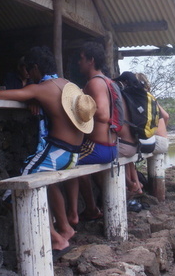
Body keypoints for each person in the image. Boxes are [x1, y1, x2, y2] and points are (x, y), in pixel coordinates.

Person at [0, 46, 96, 254]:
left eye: (29, 71)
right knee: (48, 184)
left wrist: (0, 91)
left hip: (56, 152)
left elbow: (1, 95)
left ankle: (56, 240)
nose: (29, 75)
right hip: (73, 154)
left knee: (16, 193)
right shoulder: (68, 85)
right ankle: (65, 228)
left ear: (35, 68)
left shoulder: (42, 88)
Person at [66, 41, 118, 225]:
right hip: (111, 147)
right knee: (77, 165)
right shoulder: (109, 82)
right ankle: (92, 207)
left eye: (81, 59)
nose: (78, 63)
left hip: (98, 146)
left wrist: (80, 108)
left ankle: (78, 212)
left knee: (68, 162)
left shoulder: (95, 83)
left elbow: (103, 114)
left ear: (91, 60)